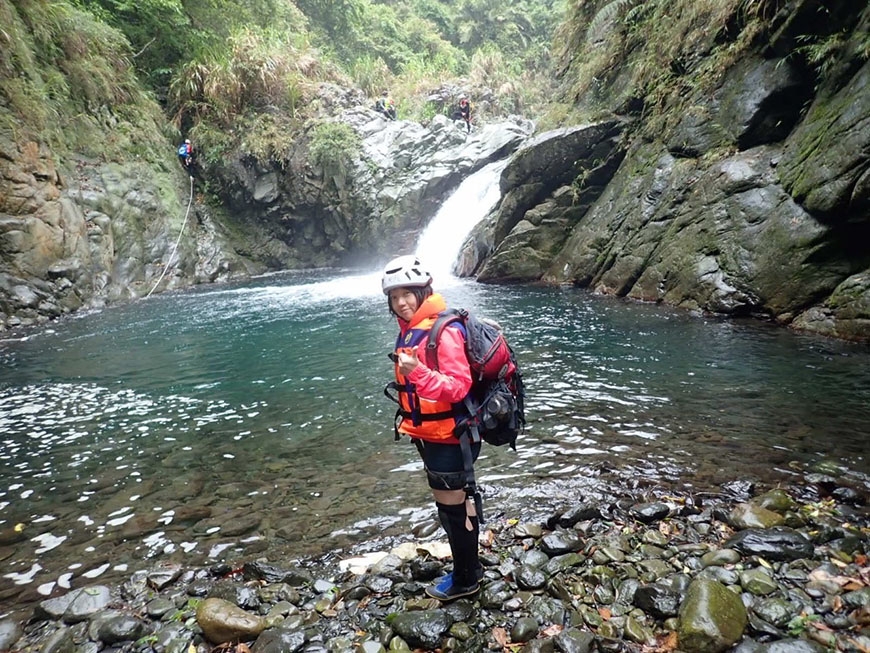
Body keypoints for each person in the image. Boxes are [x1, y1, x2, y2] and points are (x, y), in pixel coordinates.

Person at [382, 255, 483, 601]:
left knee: (454, 509)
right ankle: (469, 568)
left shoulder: (444, 331)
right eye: (394, 298)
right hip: (435, 435)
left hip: (452, 436)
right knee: (455, 506)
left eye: (407, 294)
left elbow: (459, 387)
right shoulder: (413, 331)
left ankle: (466, 579)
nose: (401, 303)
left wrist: (417, 373)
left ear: (423, 291)